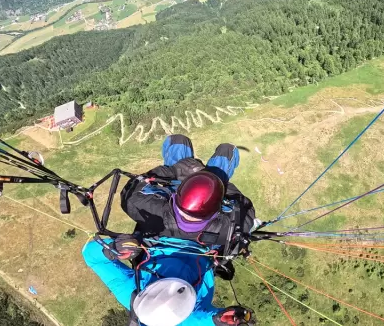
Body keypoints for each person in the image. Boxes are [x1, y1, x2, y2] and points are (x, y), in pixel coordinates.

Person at [120, 134, 258, 267]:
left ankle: (197, 169)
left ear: (175, 197)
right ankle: (220, 164)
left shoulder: (152, 209)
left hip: (178, 181)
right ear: (216, 210)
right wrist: (220, 185)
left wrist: (173, 170)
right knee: (227, 150)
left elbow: (130, 192)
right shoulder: (227, 228)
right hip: (207, 186)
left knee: (178, 141)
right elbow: (246, 208)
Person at [82, 235, 255, 326]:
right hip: (207, 245)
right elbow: (202, 320)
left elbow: (91, 256)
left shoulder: (131, 293)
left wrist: (113, 249)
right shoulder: (184, 318)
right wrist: (220, 320)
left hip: (162, 235)